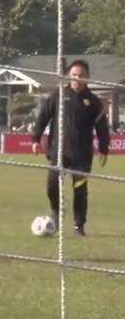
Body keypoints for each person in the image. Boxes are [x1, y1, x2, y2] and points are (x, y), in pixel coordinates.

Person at [31, 59, 110, 236]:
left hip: (82, 155)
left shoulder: (94, 102)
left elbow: (102, 127)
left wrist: (104, 149)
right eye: (73, 75)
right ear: (68, 76)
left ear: (87, 77)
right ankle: (56, 211)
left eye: (80, 75)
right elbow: (43, 116)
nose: (77, 78)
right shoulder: (58, 95)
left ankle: (78, 226)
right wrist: (35, 139)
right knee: (52, 186)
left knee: (80, 191)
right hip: (58, 152)